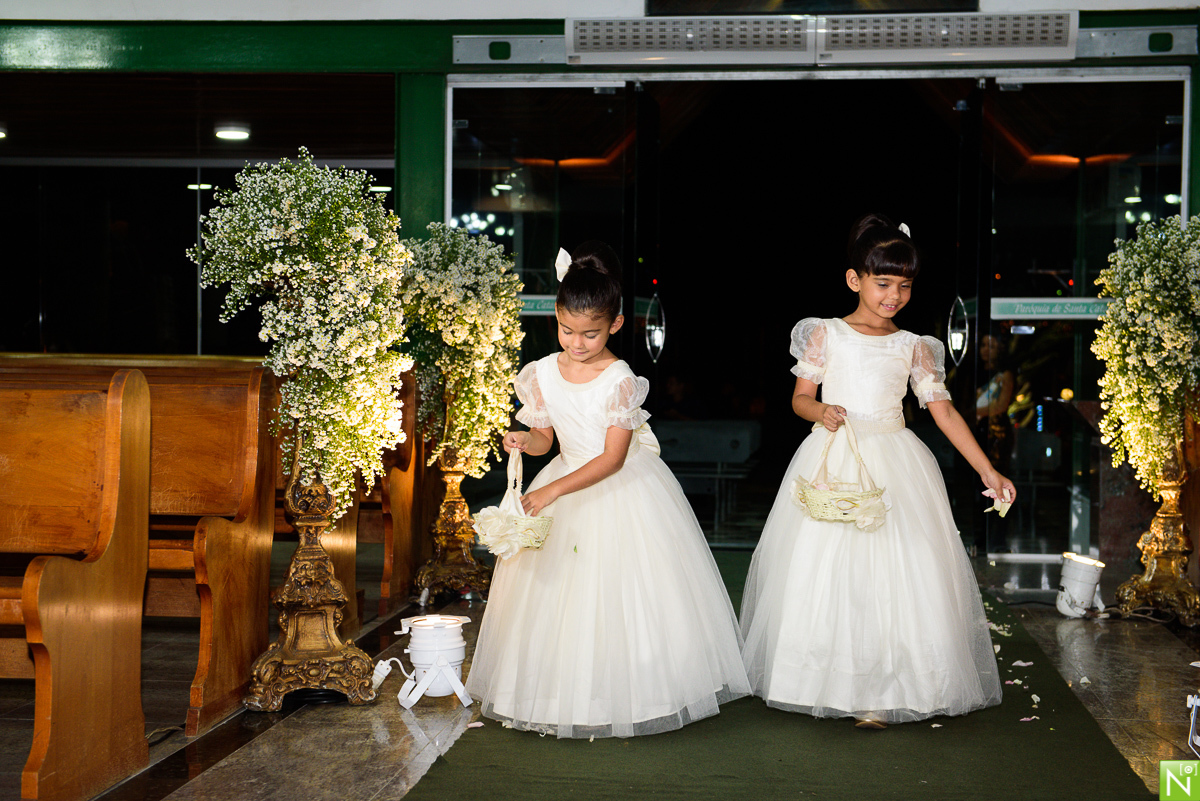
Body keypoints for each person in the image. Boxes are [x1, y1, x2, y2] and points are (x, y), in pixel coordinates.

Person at [465, 240, 750, 738]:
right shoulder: (542, 373)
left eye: (590, 334)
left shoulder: (619, 379)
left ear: (615, 324)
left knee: (623, 593)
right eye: (567, 330)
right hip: (565, 475)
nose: (577, 343)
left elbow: (612, 458)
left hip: (617, 488)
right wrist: (525, 440)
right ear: (556, 318)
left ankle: (636, 693)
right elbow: (546, 439)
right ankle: (559, 694)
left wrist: (551, 493)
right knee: (559, 595)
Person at [739, 214, 1012, 729]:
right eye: (883, 283)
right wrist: (821, 411)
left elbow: (944, 412)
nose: (894, 296)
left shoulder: (913, 345)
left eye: (904, 286)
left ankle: (886, 691)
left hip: (894, 462)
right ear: (854, 279)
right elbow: (800, 398)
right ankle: (820, 682)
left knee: (900, 573)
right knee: (824, 569)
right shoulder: (827, 333)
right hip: (836, 455)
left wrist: (988, 470)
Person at [974, 332, 1015, 474]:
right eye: (983, 345)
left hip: (996, 432)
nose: (986, 350)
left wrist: (972, 413)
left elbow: (1001, 406)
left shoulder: (1005, 375)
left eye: (991, 346)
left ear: (1000, 349)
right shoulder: (974, 373)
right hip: (975, 430)